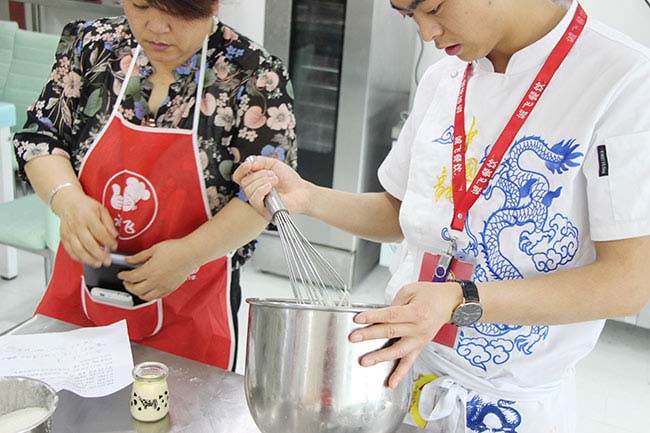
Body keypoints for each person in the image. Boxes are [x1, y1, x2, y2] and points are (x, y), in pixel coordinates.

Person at [233, 0, 650, 431]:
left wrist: (459, 299)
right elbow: (401, 213)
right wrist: (308, 197)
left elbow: (627, 283)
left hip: (509, 406)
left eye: (431, 7)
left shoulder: (622, 78)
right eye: (408, 16)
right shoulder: (445, 78)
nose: (426, 33)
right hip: (402, 376)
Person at [13, 0, 296, 370]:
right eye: (142, 5)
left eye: (178, 12)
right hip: (81, 292)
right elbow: (41, 136)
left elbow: (263, 196)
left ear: (212, 4)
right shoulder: (93, 45)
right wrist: (67, 200)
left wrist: (189, 254)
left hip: (192, 309)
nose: (157, 27)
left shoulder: (255, 76)